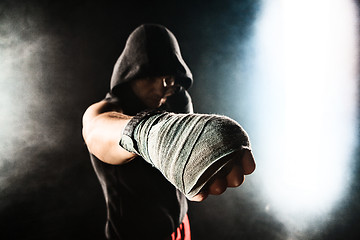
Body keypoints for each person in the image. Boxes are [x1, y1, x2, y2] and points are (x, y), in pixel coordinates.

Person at [82, 24, 256, 240]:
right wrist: (154, 134)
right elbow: (95, 130)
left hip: (181, 228)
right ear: (133, 74)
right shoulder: (108, 108)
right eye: (156, 75)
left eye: (171, 78)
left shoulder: (173, 100)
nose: (166, 85)